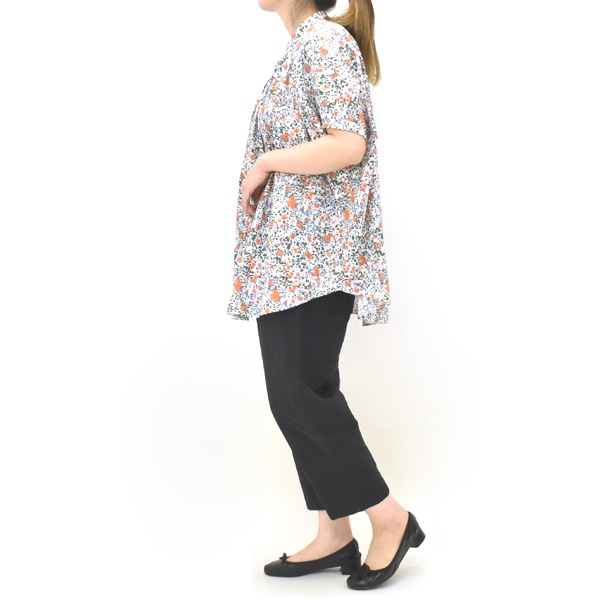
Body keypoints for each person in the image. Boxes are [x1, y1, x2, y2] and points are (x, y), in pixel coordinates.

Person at [227, 0, 425, 591]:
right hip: (291, 260)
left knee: (299, 394)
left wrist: (266, 161)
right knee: (300, 392)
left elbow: (348, 144)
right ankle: (334, 533)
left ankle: (389, 518)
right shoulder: (303, 47)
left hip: (314, 256)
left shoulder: (324, 43)